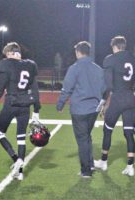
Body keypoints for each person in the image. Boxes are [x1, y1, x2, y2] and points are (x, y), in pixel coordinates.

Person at [0, 42, 41, 181]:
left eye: (7, 54)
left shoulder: (7, 64)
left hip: (11, 103)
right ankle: (20, 171)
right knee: (21, 138)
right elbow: (35, 89)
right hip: (25, 105)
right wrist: (36, 110)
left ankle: (16, 159)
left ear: (10, 53)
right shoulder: (31, 65)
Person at [94, 36, 135, 176]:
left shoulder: (110, 59)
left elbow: (109, 85)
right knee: (129, 133)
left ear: (114, 46)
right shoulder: (134, 59)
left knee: (107, 129)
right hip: (130, 99)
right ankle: (130, 167)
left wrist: (104, 101)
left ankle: (103, 162)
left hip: (117, 99)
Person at [56, 41, 105, 178]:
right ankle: (90, 164)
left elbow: (67, 88)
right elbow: (104, 90)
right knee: (87, 137)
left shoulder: (74, 68)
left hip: (79, 110)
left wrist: (60, 104)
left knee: (82, 140)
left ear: (78, 52)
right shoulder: (98, 69)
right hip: (93, 109)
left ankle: (86, 171)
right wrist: (102, 106)